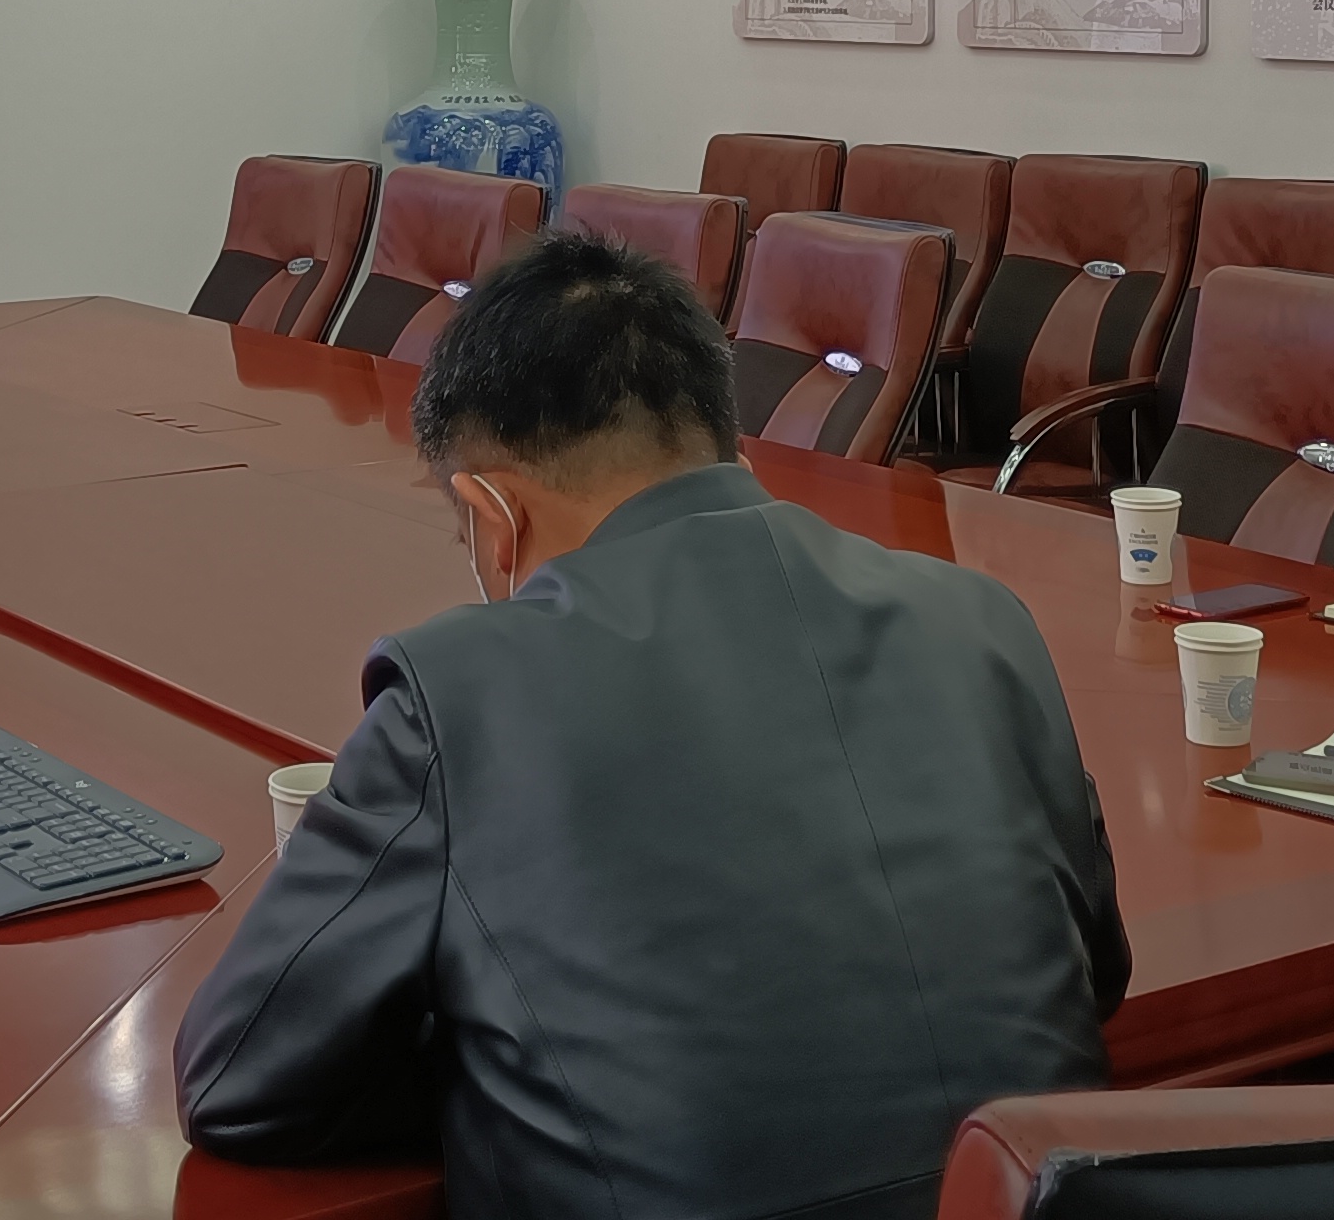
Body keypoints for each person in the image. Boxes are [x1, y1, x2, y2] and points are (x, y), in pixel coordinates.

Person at [175, 232, 1131, 1219]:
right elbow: (1093, 973)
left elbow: (238, 1079)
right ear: (724, 442)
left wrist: (496, 1047)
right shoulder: (981, 620)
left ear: (494, 516)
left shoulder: (461, 689)